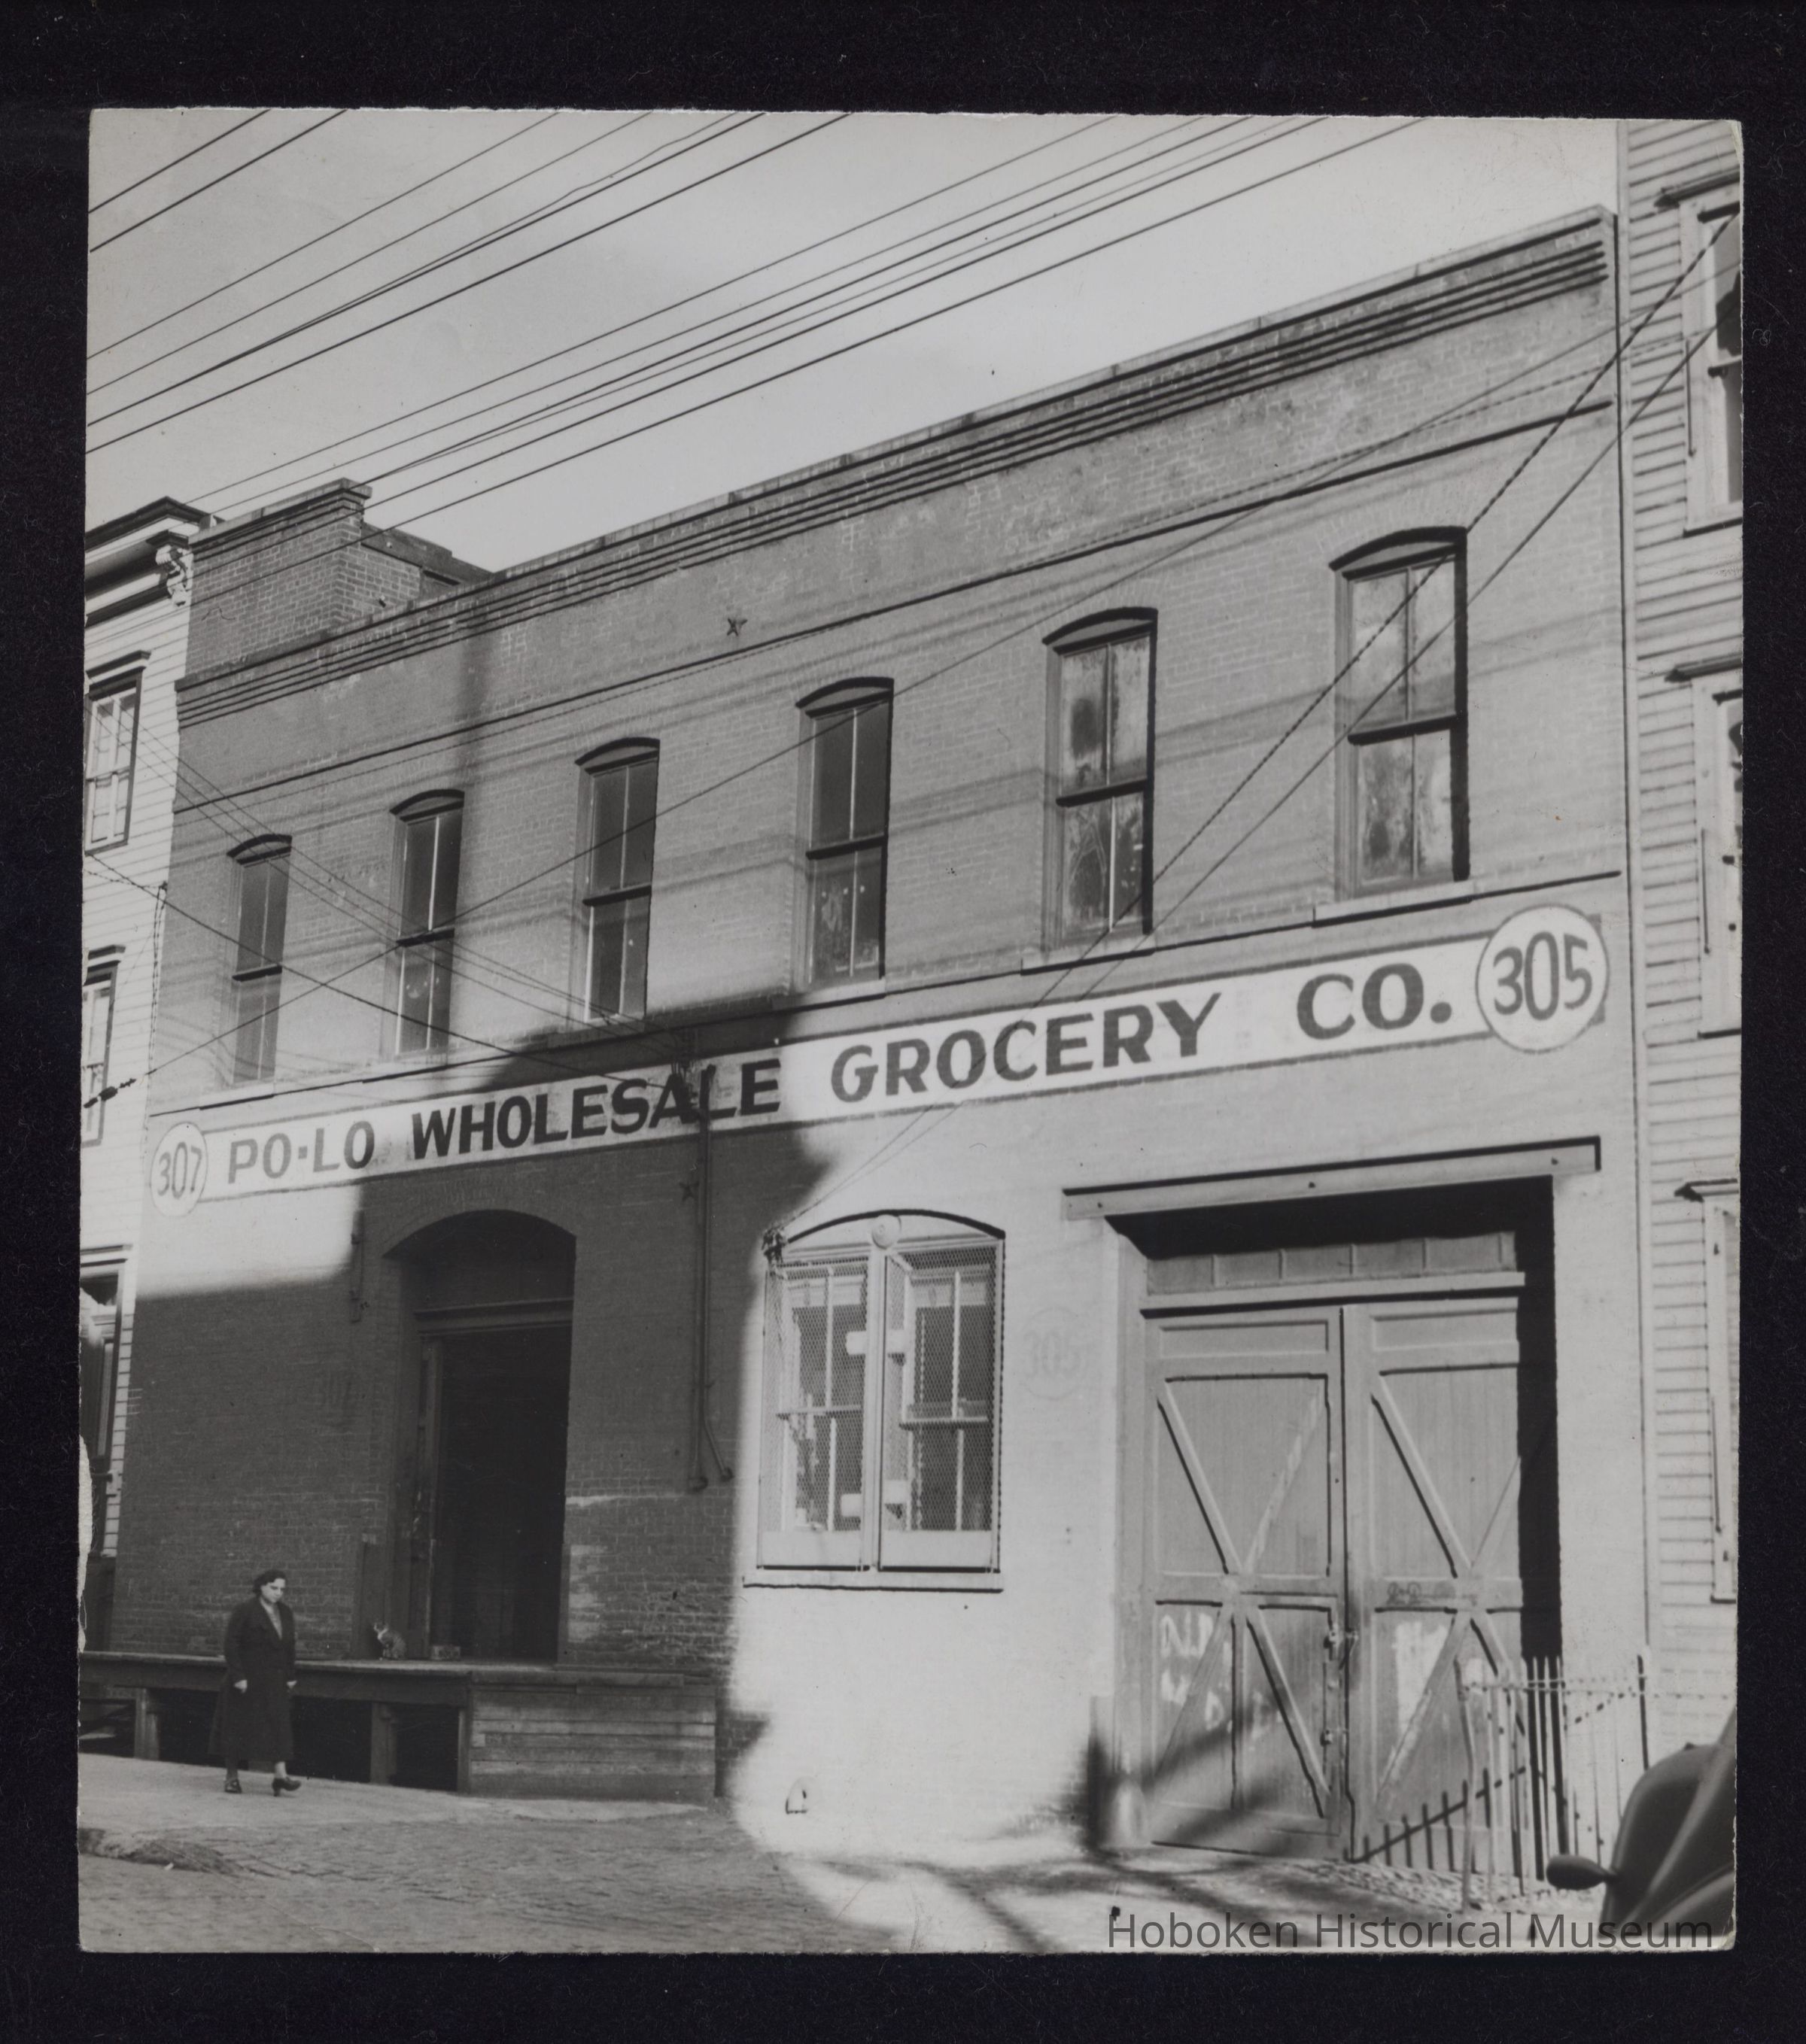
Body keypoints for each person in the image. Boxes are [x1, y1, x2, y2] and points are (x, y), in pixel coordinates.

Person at [214, 1569, 303, 1796]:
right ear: (261, 1586)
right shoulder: (245, 1611)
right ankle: (232, 1778)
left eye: (282, 1589)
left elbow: (289, 1647)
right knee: (236, 1726)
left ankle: (280, 1777)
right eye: (274, 1588)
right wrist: (238, 1676)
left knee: (278, 1725)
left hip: (275, 1679)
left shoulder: (285, 1612)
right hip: (247, 1679)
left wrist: (291, 1676)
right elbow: (231, 1644)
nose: (278, 1593)